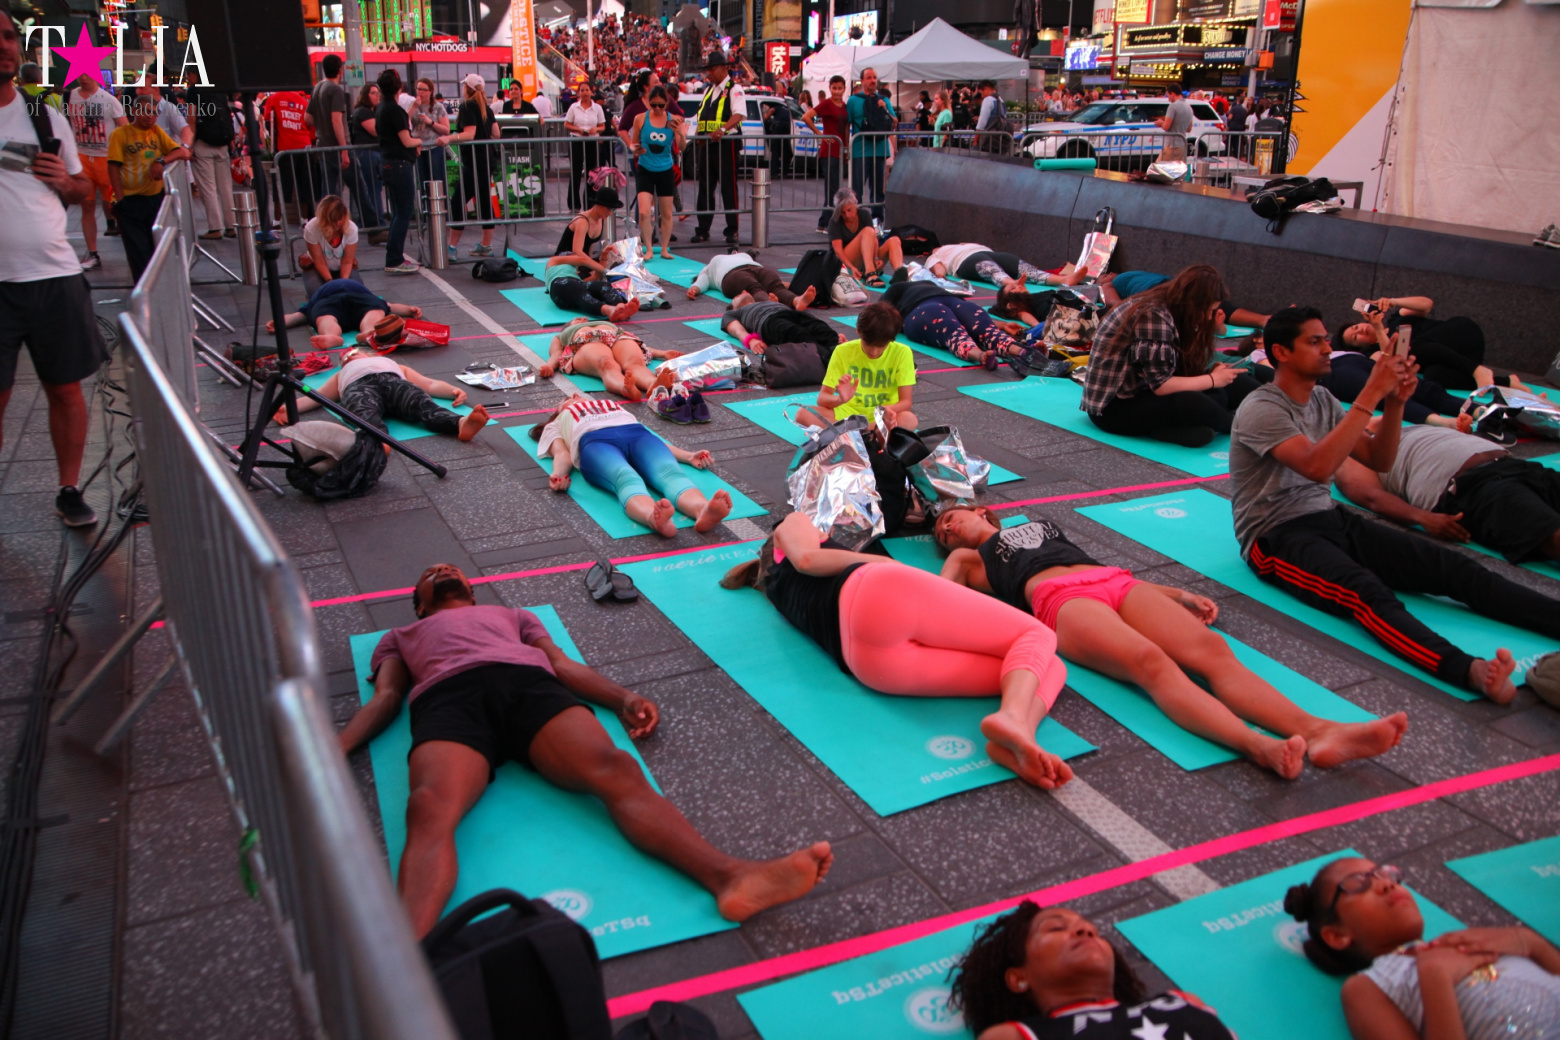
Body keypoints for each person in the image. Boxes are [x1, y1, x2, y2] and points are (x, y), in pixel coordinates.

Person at [338, 562, 832, 937]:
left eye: (452, 570)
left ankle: (730, 878)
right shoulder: (400, 636)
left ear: (471, 592)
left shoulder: (511, 615)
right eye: (430, 575)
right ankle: (405, 961)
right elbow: (386, 698)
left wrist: (622, 697)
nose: (443, 570)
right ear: (421, 606)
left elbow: (561, 665)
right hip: (450, 700)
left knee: (615, 767)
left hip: (526, 685)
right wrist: (335, 747)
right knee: (428, 806)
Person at [1229, 306, 1560, 703]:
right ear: (1281, 353)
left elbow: (1380, 460)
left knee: (1453, 568)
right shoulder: (1262, 407)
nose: (1326, 348)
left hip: (1330, 519)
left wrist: (1397, 402)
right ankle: (1467, 669)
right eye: (1314, 342)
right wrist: (1370, 393)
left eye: (1325, 340)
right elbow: (1317, 467)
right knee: (1364, 594)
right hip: (1275, 537)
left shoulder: (1323, 400)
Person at [935, 506, 1407, 777]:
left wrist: (1175, 593)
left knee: (1214, 653)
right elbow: (946, 597)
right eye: (940, 529)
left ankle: (1320, 730)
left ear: (980, 509)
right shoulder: (968, 558)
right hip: (1061, 600)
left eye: (951, 517)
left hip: (1114, 581)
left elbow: (1087, 558)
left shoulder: (1036, 522)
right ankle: (1254, 744)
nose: (947, 527)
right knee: (1151, 663)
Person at [723, 511, 1075, 789]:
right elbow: (809, 561)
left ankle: (1018, 734)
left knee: (1046, 666)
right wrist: (891, 565)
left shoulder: (776, 592)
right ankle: (1013, 717)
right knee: (1038, 635)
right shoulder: (790, 524)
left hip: (870, 666)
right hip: (878, 594)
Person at [0, 6, 109, 528]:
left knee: (65, 388)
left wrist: (63, 183)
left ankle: (69, 489)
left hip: (53, 276)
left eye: (7, 36)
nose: (3, 45)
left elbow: (82, 186)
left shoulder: (45, 117)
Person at [1283, 856, 1560, 1040]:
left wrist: (1532, 944)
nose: (1386, 885)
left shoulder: (1464, 941)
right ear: (1337, 935)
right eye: (1358, 884)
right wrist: (1435, 977)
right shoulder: (1370, 986)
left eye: (1384, 874)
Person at [946, 902, 1238, 1039]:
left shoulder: (1183, 1002)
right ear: (1019, 977)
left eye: (1092, 930)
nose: (1085, 929)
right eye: (1056, 928)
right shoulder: (1014, 1036)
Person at [1082, 265, 1262, 447]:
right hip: (1113, 408)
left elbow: (1180, 369)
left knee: (1223, 391)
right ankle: (1238, 427)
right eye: (1209, 310)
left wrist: (1212, 378)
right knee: (1195, 401)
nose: (1210, 317)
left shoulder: (1174, 310)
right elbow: (1161, 384)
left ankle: (1175, 428)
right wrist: (1212, 379)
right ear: (1194, 304)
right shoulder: (1153, 314)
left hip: (1144, 391)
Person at [1335, 420, 1560, 565]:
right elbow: (1372, 497)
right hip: (1473, 487)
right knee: (1548, 533)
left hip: (1517, 467)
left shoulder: (1399, 429)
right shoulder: (1350, 458)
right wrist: (1423, 518)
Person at [531, 394, 730, 535]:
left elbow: (657, 442)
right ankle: (652, 517)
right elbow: (562, 454)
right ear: (557, 413)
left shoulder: (610, 405)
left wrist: (688, 456)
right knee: (625, 477)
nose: (574, 395)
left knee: (669, 472)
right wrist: (559, 475)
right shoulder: (555, 424)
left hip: (636, 433)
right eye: (566, 400)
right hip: (595, 442)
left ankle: (702, 509)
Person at [275, 342, 490, 442]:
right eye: (345, 359)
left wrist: (452, 390)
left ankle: (460, 424)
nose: (348, 358)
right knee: (363, 412)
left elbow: (429, 385)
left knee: (421, 402)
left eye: (353, 353)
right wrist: (287, 408)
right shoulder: (343, 375)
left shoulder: (391, 365)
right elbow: (316, 397)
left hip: (393, 383)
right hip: (359, 387)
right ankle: (376, 439)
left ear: (372, 354)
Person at [106, 94, 191, 282]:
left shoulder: (156, 131)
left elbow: (182, 152)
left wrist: (161, 161)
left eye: (154, 113)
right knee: (138, 253)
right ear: (135, 111)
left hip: (154, 200)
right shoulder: (120, 134)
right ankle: (144, 292)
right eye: (146, 112)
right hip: (130, 202)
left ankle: (158, 288)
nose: (150, 116)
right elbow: (113, 167)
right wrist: (120, 199)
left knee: (156, 248)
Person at [884, 268, 1031, 372]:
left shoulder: (932, 284)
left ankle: (1015, 352)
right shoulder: (898, 287)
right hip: (923, 306)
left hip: (946, 303)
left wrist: (1002, 325)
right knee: (956, 328)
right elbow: (879, 314)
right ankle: (992, 354)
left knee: (971, 327)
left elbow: (962, 317)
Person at [798, 302, 917, 430]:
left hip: (882, 414)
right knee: (802, 413)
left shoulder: (902, 352)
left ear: (892, 339)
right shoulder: (842, 351)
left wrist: (885, 411)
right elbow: (822, 399)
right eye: (868, 345)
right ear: (858, 331)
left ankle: (852, 432)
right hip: (848, 414)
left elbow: (906, 402)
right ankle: (871, 432)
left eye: (881, 346)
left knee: (909, 420)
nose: (873, 352)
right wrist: (840, 399)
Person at [1335, 295, 1489, 391]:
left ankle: (1477, 371)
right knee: (1433, 375)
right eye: (1355, 338)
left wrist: (1392, 302)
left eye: (1356, 327)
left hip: (1463, 333)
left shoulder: (1396, 318)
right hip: (1464, 357)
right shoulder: (1373, 352)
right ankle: (1503, 381)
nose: (1360, 331)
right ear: (1359, 348)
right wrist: (1378, 328)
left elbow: (1426, 304)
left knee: (1415, 345)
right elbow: (1395, 359)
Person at [545, 187, 640, 322]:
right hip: (563, 284)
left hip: (575, 281)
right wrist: (605, 270)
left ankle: (620, 306)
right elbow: (580, 256)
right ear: (599, 205)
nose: (610, 213)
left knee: (602, 287)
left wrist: (604, 257)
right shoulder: (555, 261)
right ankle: (609, 310)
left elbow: (593, 273)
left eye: (612, 210)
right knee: (581, 294)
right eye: (608, 209)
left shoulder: (574, 273)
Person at [65, 73, 127, 271]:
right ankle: (93, 253)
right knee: (87, 206)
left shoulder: (109, 100)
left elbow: (124, 127)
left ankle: (132, 248)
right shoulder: (68, 98)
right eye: (79, 73)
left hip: (106, 160)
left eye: (87, 73)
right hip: (82, 158)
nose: (82, 78)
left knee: (115, 206)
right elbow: (64, 126)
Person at [536, 318, 680, 400]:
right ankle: (625, 388)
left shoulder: (605, 323)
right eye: (577, 319)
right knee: (606, 363)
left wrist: (662, 353)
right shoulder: (561, 335)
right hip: (585, 342)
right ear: (568, 325)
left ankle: (653, 384)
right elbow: (556, 353)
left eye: (584, 318)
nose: (583, 319)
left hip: (616, 336)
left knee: (636, 362)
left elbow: (643, 348)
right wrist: (549, 366)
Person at [436, 74, 500, 260]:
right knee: (483, 198)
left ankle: (452, 247)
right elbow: (496, 132)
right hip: (487, 158)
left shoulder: (467, 106)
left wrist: (450, 137)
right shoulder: (485, 107)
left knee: (458, 201)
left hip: (474, 159)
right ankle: (486, 244)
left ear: (467, 89)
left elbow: (469, 134)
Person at [265, 277, 424, 351]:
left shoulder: (318, 297)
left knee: (326, 318)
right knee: (374, 311)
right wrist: (408, 309)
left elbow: (297, 316)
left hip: (332, 301)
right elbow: (390, 306)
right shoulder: (366, 294)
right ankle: (367, 332)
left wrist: (281, 322)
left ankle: (334, 335)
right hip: (353, 299)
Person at [1099, 269, 1271, 330]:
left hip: (1161, 288)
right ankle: (1263, 320)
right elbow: (1116, 304)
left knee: (1211, 304)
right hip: (1163, 288)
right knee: (1213, 304)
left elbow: (1115, 304)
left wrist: (1104, 284)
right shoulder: (1119, 282)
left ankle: (1264, 320)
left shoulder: (1118, 281)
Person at [690, 51, 743, 245]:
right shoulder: (708, 90)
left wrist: (722, 129)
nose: (709, 73)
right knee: (705, 188)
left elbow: (738, 114)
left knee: (728, 188)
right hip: (707, 144)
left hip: (726, 144)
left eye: (711, 69)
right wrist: (698, 135)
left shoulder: (735, 89)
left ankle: (732, 230)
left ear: (723, 68)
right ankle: (703, 229)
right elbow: (702, 116)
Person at [628, 85, 684, 261]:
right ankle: (649, 249)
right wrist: (635, 149)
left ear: (667, 103)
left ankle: (665, 248)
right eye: (654, 105)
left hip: (665, 169)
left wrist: (679, 133)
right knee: (644, 212)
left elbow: (682, 147)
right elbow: (632, 143)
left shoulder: (673, 120)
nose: (658, 109)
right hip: (645, 168)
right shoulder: (640, 119)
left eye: (661, 105)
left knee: (666, 213)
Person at [375, 69, 422, 275]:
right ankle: (394, 259)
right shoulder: (394, 110)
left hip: (387, 162)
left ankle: (393, 257)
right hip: (399, 164)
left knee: (397, 214)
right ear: (399, 88)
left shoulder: (381, 109)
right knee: (403, 213)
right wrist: (420, 141)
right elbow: (406, 140)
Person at [186, 83, 236, 239]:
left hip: (203, 143)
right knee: (226, 187)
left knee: (208, 187)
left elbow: (192, 118)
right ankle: (231, 226)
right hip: (222, 143)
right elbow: (228, 114)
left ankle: (215, 228)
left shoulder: (194, 90)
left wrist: (189, 144)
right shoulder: (219, 88)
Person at [800, 74, 849, 232]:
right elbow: (806, 117)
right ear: (830, 88)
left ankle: (824, 222)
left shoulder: (844, 105)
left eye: (839, 88)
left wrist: (846, 147)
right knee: (832, 189)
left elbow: (846, 128)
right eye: (834, 88)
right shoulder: (826, 104)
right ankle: (827, 223)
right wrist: (819, 134)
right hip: (828, 151)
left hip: (840, 150)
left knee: (836, 189)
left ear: (844, 89)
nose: (836, 91)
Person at [846, 67, 896, 223]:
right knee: (857, 189)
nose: (873, 80)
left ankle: (877, 220)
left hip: (879, 150)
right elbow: (847, 124)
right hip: (860, 150)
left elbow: (894, 123)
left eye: (875, 77)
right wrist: (845, 147)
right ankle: (857, 219)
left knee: (877, 190)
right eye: (869, 77)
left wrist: (884, 108)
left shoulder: (884, 99)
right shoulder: (853, 100)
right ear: (862, 81)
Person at [719, 295, 841, 358]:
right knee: (798, 334)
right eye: (737, 296)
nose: (742, 293)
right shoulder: (735, 312)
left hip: (791, 314)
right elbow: (734, 327)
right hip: (768, 321)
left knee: (821, 329)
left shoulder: (767, 302)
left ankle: (839, 349)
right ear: (734, 305)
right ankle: (828, 359)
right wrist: (750, 340)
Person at [687, 251, 813, 309]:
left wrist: (791, 286)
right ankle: (770, 304)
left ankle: (797, 301)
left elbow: (778, 284)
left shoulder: (744, 255)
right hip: (732, 274)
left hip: (756, 269)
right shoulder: (710, 265)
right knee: (753, 288)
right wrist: (694, 289)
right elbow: (701, 281)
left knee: (775, 285)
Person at [828, 191, 902, 287]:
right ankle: (870, 273)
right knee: (867, 231)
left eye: (849, 210)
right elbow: (838, 251)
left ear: (856, 204)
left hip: (865, 260)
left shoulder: (864, 214)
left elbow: (874, 238)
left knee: (894, 240)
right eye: (843, 212)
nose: (847, 215)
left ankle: (899, 273)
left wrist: (875, 257)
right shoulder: (835, 221)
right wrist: (852, 267)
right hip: (846, 263)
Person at [263, 87, 314, 222]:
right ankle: (304, 220)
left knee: (280, 185)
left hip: (284, 148)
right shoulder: (303, 101)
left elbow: (267, 119)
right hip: (304, 146)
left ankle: (277, 221)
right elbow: (311, 124)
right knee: (305, 185)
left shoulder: (274, 98)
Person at [306, 53, 350, 201]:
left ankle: (327, 219)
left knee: (329, 188)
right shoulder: (336, 90)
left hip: (322, 145)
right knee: (359, 186)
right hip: (337, 147)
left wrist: (321, 124)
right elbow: (336, 121)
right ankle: (372, 219)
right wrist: (344, 150)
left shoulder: (318, 87)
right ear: (340, 70)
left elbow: (307, 117)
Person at [563, 80, 610, 211]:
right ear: (578, 93)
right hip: (577, 141)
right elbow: (567, 124)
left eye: (587, 90)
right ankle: (574, 204)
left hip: (592, 142)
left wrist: (595, 129)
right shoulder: (573, 107)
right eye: (582, 90)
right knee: (576, 172)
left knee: (592, 173)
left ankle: (590, 201)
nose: (584, 93)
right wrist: (578, 130)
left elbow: (603, 126)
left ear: (591, 92)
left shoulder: (598, 108)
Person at [926, 243, 1056, 288]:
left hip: (989, 253)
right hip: (965, 261)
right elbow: (938, 267)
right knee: (992, 270)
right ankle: (1012, 283)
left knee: (1025, 269)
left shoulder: (960, 244)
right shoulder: (935, 255)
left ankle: (1065, 279)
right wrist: (940, 276)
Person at [299, 194, 358, 293]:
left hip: (341, 266)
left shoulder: (351, 228)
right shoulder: (311, 228)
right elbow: (319, 261)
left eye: (341, 218)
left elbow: (347, 261)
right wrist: (330, 282)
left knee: (355, 290)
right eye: (334, 220)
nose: (338, 223)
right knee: (317, 292)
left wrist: (343, 283)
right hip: (317, 266)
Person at [347, 82, 384, 239]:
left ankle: (374, 222)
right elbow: (376, 131)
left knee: (372, 189)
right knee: (371, 189)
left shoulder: (370, 112)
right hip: (367, 153)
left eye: (378, 93)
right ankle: (376, 224)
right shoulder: (362, 112)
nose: (377, 96)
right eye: (373, 93)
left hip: (372, 153)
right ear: (365, 95)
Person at [407, 78, 449, 200]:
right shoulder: (413, 105)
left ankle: (442, 213)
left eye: (423, 90)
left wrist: (431, 122)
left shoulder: (438, 107)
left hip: (434, 147)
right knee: (423, 182)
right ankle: (427, 214)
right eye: (418, 89)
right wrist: (414, 106)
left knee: (437, 181)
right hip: (419, 149)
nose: (420, 92)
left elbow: (446, 130)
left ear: (430, 91)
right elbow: (403, 121)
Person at [1155, 86, 1193, 161]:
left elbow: (1166, 126)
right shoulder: (1189, 107)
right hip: (1182, 145)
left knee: (1159, 169)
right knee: (1176, 170)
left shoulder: (1173, 106)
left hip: (1171, 146)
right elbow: (1189, 129)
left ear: (1172, 94)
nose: (1168, 98)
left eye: (1168, 95)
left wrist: (1160, 123)